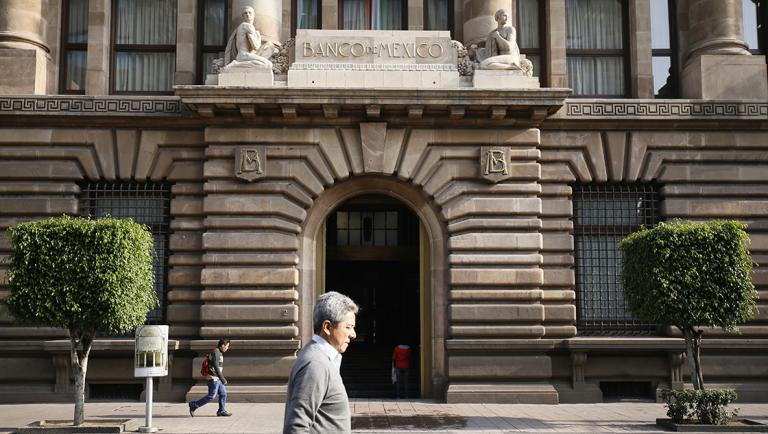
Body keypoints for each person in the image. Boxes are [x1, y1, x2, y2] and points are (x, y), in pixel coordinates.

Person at [283, 291, 359, 433]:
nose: (353, 334)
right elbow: (296, 427)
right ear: (327, 327)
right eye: (348, 327)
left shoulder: (321, 358)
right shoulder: (316, 364)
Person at [188, 338, 231, 417]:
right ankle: (194, 405)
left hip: (217, 378)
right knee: (211, 396)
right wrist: (223, 379)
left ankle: (221, 411)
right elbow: (216, 367)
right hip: (213, 378)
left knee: (223, 394)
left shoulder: (219, 352)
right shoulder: (216, 352)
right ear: (222, 345)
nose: (227, 348)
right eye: (227, 346)